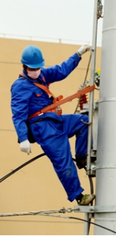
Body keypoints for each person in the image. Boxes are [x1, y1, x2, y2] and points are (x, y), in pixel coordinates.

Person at [11, 44, 95, 206]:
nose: (36, 71)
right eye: (32, 68)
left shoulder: (42, 75)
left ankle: (82, 157)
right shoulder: (20, 86)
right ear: (24, 67)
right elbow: (18, 115)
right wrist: (23, 138)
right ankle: (79, 197)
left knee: (84, 121)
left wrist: (78, 54)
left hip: (56, 121)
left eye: (38, 68)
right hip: (43, 128)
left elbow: (61, 70)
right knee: (63, 163)